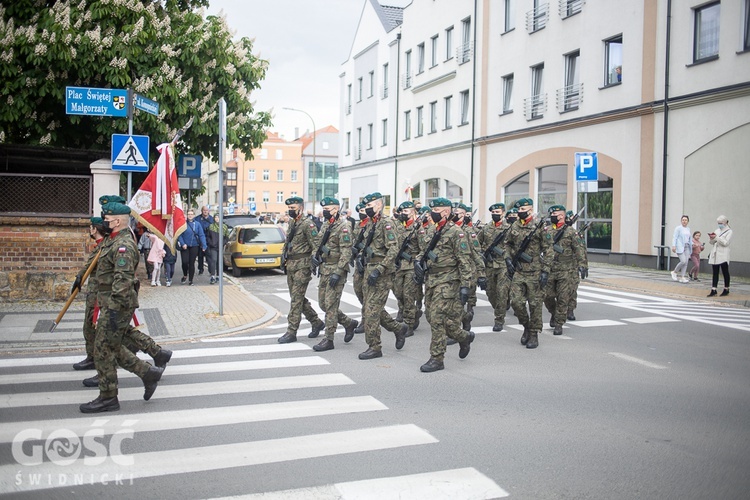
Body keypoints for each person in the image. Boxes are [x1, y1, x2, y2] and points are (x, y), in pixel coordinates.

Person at [79, 200, 164, 413]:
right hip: (109, 302)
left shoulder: (123, 245)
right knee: (110, 347)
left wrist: (114, 311)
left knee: (103, 349)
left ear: (117, 221)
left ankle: (109, 397)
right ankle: (147, 373)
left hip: (117, 305)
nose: (103, 223)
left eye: (106, 220)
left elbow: (122, 281)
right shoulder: (112, 240)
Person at [416, 197, 475, 373]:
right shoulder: (432, 229)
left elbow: (465, 260)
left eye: (436, 210)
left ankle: (437, 358)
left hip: (449, 280)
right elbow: (423, 251)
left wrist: (466, 285)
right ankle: (463, 337)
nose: (431, 214)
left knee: (436, 317)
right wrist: (417, 262)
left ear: (446, 212)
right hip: (432, 280)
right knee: (431, 316)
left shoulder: (457, 232)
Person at [358, 192, 408, 360]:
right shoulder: (371, 224)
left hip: (382, 273)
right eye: (365, 207)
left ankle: (374, 346)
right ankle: (398, 328)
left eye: (370, 207)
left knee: (372, 312)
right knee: (370, 308)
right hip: (369, 269)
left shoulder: (387, 224)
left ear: (379, 206)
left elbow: (394, 250)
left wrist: (379, 269)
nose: (367, 210)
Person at [310, 197, 358, 351]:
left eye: (328, 209)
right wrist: (314, 257)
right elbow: (318, 243)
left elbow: (346, 252)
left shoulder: (344, 227)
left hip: (336, 270)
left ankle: (328, 339)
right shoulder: (326, 224)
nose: (324, 212)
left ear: (336, 210)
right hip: (325, 269)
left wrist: (338, 272)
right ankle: (348, 323)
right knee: (323, 304)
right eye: (323, 209)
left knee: (331, 305)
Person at [504, 198, 552, 349]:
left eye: (523, 211)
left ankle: (534, 334)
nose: (520, 213)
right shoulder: (515, 225)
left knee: (535, 304)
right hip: (518, 270)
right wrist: (508, 258)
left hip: (535, 271)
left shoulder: (540, 227)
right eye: (519, 211)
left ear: (530, 210)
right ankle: (526, 325)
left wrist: (545, 270)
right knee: (516, 302)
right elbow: (507, 243)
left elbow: (549, 250)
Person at [277, 197, 325, 343]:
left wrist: (313, 263)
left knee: (296, 300)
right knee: (297, 298)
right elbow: (288, 241)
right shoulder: (293, 222)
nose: (290, 210)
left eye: (293, 208)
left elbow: (316, 245)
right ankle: (316, 322)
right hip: (291, 265)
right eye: (289, 208)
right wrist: (283, 257)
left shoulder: (307, 224)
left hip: (302, 266)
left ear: (301, 208)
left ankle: (291, 331)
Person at [543, 205, 586, 336]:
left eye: (554, 214)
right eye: (551, 214)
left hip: (566, 270)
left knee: (563, 298)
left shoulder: (571, 232)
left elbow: (579, 248)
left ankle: (559, 323)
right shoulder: (546, 230)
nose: (552, 216)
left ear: (561, 215)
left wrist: (583, 265)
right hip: (549, 269)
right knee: (547, 296)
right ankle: (554, 313)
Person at [479, 202, 511, 332]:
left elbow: (513, 245)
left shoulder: (508, 228)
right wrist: (484, 253)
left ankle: (499, 319)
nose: (495, 215)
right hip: (489, 265)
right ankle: (499, 308)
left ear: (503, 213)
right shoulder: (486, 229)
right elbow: (477, 244)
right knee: (491, 292)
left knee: (501, 292)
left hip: (503, 264)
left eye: (497, 212)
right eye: (493, 213)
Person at [392, 201, 421, 337]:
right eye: (401, 211)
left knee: (408, 295)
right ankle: (413, 312)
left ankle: (409, 323)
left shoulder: (418, 227)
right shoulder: (398, 226)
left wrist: (418, 262)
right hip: (399, 265)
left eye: (406, 211)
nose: (403, 214)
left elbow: (424, 248)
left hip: (411, 265)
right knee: (398, 292)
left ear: (413, 211)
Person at [177, 208, 207, 286]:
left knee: (191, 263)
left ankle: (191, 280)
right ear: (186, 215)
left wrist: (204, 245)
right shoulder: (183, 224)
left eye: (191, 214)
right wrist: (183, 243)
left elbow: (201, 235)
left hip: (194, 246)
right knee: (184, 262)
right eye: (188, 214)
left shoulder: (197, 224)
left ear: (194, 215)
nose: (190, 216)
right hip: (185, 246)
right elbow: (179, 235)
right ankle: (185, 274)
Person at [707, 215, 732, 297]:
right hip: (715, 253)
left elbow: (726, 243)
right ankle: (713, 289)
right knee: (715, 272)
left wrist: (717, 237)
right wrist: (711, 238)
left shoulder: (729, 231)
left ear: (725, 223)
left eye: (721, 223)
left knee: (725, 271)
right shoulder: (717, 230)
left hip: (723, 253)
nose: (719, 225)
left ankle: (726, 288)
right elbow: (711, 242)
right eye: (718, 223)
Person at [206, 213, 229, 284]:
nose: (217, 219)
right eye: (215, 217)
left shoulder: (224, 227)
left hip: (220, 246)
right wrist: (211, 243)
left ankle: (218, 275)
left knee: (219, 261)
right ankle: (212, 275)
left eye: (218, 217)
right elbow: (208, 236)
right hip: (213, 247)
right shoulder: (211, 226)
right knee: (213, 260)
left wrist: (223, 243)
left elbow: (227, 237)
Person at [671, 215, 692, 284]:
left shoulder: (688, 229)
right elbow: (675, 237)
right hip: (680, 246)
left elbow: (689, 239)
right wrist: (674, 246)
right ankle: (674, 272)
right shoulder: (678, 228)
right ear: (681, 221)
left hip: (687, 246)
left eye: (686, 220)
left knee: (686, 263)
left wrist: (692, 244)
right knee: (683, 261)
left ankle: (682, 277)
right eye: (683, 220)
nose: (684, 221)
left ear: (688, 221)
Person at [195, 206, 213, 275]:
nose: (205, 211)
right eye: (204, 210)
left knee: (209, 256)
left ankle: (210, 271)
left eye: (206, 210)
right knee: (200, 256)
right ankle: (200, 269)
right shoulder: (197, 219)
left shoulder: (211, 219)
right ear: (202, 211)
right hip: (200, 241)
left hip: (208, 241)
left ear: (208, 211)